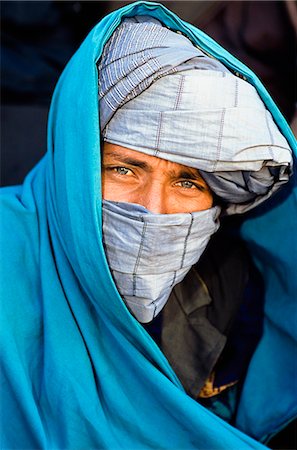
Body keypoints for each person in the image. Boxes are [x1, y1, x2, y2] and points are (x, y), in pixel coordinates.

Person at [0, 2, 296, 449]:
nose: (153, 211)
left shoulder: (233, 295)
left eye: (188, 181)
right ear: (76, 163)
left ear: (218, 204)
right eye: (123, 170)